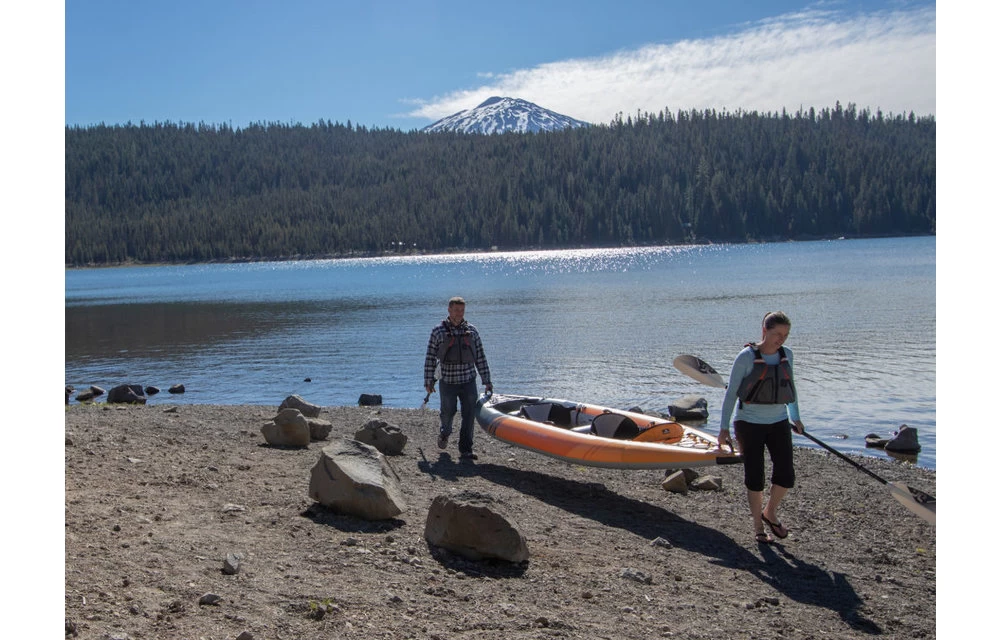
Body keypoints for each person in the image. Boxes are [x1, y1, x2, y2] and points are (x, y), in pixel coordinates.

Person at [718, 311, 805, 544]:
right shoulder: (746, 357)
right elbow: (731, 395)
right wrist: (723, 428)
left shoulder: (787, 355)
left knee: (786, 476)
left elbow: (790, 387)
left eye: (785, 335)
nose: (781, 339)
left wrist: (795, 418)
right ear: (764, 331)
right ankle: (758, 525)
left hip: (778, 422)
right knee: (755, 477)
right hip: (749, 424)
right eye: (777, 334)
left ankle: (770, 512)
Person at [424, 296, 493, 461]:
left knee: (469, 415)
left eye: (462, 310)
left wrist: (487, 380)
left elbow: (480, 357)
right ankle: (445, 433)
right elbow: (430, 357)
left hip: (468, 380)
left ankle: (466, 450)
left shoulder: (472, 331)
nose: (459, 314)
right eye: (456, 310)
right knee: (448, 413)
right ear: (449, 310)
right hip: (447, 381)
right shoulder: (438, 331)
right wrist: (428, 380)